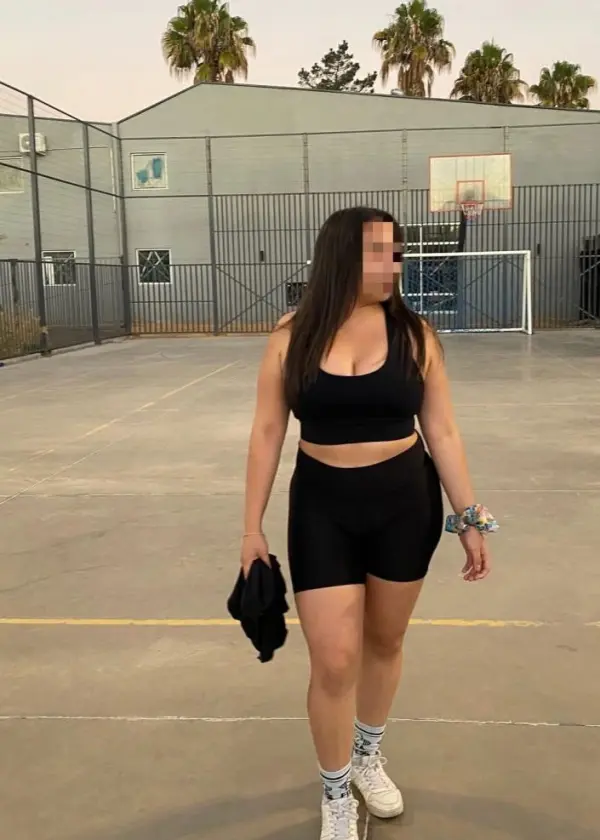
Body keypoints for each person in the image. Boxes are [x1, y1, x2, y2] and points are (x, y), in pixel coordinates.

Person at [241, 207, 496, 840]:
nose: (394, 264)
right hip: (321, 509)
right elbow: (267, 432)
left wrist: (468, 516)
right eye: (380, 252)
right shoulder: (291, 337)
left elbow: (442, 430)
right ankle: (335, 794)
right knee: (333, 660)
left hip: (405, 506)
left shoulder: (415, 335)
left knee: (384, 643)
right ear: (341, 258)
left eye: (397, 252)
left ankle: (366, 755)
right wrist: (251, 529)